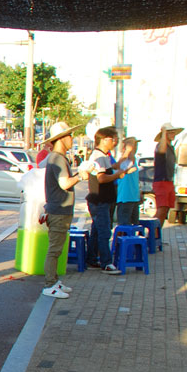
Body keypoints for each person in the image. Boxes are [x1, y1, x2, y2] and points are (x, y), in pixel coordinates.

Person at [40, 122, 91, 299]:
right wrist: (80, 176)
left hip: (59, 209)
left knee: (57, 249)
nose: (72, 139)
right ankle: (49, 284)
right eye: (69, 136)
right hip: (58, 210)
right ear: (60, 139)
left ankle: (53, 281)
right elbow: (64, 183)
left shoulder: (57, 157)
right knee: (54, 250)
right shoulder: (58, 158)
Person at [84, 127, 123, 274]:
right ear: (104, 139)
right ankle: (106, 262)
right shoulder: (99, 157)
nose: (115, 142)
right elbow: (101, 178)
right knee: (104, 231)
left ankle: (92, 259)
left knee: (96, 231)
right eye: (113, 139)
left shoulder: (103, 156)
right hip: (99, 200)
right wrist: (117, 175)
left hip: (101, 200)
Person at [153, 122, 184, 226]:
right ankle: (152, 234)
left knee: (165, 210)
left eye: (173, 132)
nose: (173, 135)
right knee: (161, 210)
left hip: (169, 181)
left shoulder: (171, 147)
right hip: (161, 181)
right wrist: (163, 133)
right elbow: (161, 151)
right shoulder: (161, 146)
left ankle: (157, 235)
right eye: (170, 132)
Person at [115, 137, 141, 226]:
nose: (135, 148)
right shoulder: (124, 160)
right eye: (133, 145)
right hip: (125, 198)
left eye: (135, 145)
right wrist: (127, 151)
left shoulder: (134, 160)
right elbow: (119, 169)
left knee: (134, 225)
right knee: (124, 225)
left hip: (134, 198)